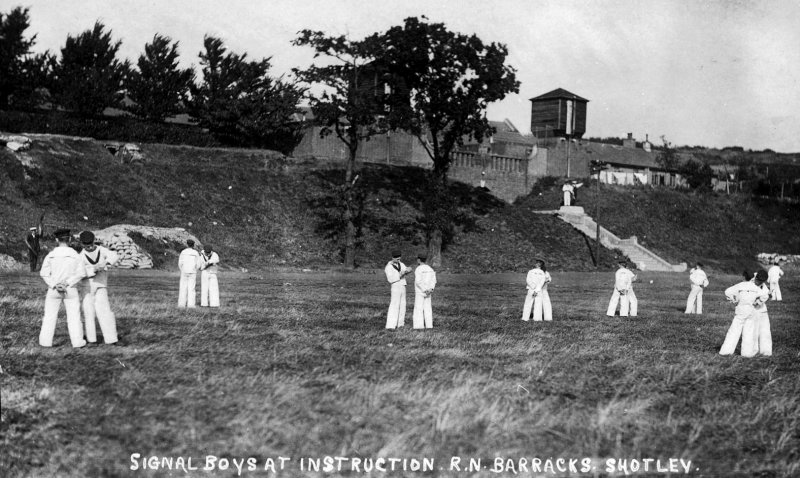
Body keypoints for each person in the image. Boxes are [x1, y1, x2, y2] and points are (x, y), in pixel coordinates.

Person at [38, 228, 87, 348]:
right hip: (70, 289)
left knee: (49, 316)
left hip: (54, 289)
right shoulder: (75, 254)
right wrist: (67, 283)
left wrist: (55, 284)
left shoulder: (51, 255)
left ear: (56, 240)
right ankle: (77, 342)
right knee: (74, 316)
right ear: (69, 239)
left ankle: (45, 342)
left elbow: (44, 273)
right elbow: (81, 273)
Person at [77, 231, 121, 345]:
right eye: (87, 245)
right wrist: (93, 270)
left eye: (91, 244)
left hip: (101, 285)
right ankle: (91, 340)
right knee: (89, 312)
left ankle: (111, 339)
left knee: (105, 311)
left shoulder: (101, 250)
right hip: (87, 287)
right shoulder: (80, 256)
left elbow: (115, 255)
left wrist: (105, 263)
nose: (90, 247)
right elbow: (79, 273)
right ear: (82, 244)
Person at [720, 270, 770, 357]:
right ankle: (746, 353)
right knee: (748, 333)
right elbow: (766, 294)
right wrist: (758, 302)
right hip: (751, 312)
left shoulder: (741, 285)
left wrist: (733, 299)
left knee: (734, 331)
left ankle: (726, 351)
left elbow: (727, 291)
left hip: (740, 311)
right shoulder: (756, 288)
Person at [384, 250, 411, 329]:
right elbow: (390, 279)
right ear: (393, 258)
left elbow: (405, 270)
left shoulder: (401, 264)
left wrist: (408, 270)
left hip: (402, 285)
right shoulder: (388, 267)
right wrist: (400, 275)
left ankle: (400, 324)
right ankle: (391, 325)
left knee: (403, 305)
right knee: (394, 304)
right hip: (395, 286)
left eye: (400, 259)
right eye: (397, 259)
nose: (399, 260)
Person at [412, 253, 437, 329]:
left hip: (420, 291)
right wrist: (431, 289)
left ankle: (419, 326)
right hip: (428, 292)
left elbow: (418, 281)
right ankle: (429, 325)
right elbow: (434, 280)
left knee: (418, 308)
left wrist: (424, 290)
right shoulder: (430, 268)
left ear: (419, 260)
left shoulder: (418, 269)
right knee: (428, 308)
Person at [752, 273, 773, 357]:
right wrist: (765, 296)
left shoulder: (763, 286)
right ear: (755, 277)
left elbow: (767, 294)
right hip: (753, 311)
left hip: (763, 311)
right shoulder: (749, 284)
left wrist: (769, 294)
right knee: (753, 331)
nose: (758, 282)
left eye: (761, 281)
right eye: (758, 280)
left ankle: (766, 351)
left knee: (765, 331)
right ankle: (753, 350)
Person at [178, 239, 201, 308]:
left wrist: (182, 269)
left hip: (184, 271)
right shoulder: (195, 252)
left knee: (183, 288)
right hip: (192, 272)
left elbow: (180, 263)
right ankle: (191, 305)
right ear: (193, 245)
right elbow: (198, 263)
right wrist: (195, 269)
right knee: (191, 288)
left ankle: (181, 304)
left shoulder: (183, 252)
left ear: (187, 244)